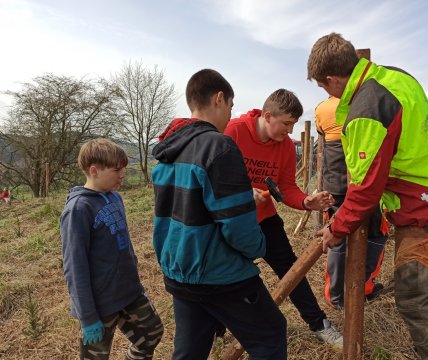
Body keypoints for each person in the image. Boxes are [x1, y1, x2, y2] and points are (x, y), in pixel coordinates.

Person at [308, 32, 428, 360]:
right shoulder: (395, 77)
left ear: (331, 79)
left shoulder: (367, 108)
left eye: (323, 87)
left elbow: (364, 190)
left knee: (417, 295)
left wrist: (336, 228)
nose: (327, 94)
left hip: (423, 204)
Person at [151, 69, 287, 360]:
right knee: (270, 334)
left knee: (190, 352)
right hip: (220, 274)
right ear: (219, 98)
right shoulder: (219, 147)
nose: (230, 114)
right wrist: (259, 247)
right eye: (231, 106)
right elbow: (237, 226)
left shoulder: (167, 153)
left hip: (180, 271)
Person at [224, 89, 343, 349]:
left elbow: (286, 186)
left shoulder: (286, 146)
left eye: (294, 125)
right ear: (268, 116)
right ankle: (218, 328)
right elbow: (213, 177)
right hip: (230, 220)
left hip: (265, 218)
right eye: (287, 123)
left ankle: (320, 324)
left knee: (292, 270)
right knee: (225, 276)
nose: (290, 131)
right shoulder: (233, 132)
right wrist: (242, 194)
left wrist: (305, 202)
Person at [60, 138, 164, 360]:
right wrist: (87, 317)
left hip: (129, 293)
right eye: (116, 169)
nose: (122, 174)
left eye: (123, 168)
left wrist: (135, 283)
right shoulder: (78, 209)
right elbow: (74, 267)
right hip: (100, 303)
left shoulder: (115, 197)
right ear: (94, 170)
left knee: (152, 333)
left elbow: (125, 248)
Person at [315, 95, 388, 309]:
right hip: (365, 180)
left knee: (337, 235)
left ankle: (335, 296)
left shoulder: (322, 108)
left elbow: (321, 133)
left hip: (334, 182)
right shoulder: (366, 101)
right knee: (376, 233)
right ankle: (362, 287)